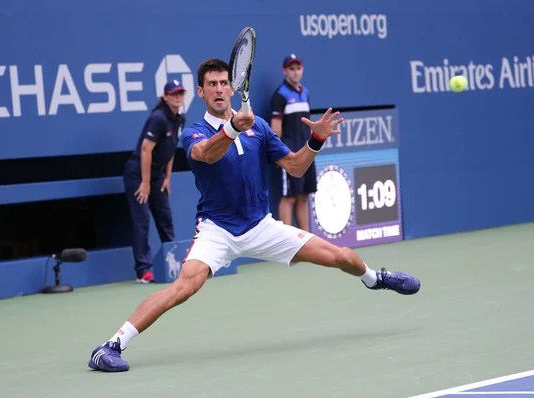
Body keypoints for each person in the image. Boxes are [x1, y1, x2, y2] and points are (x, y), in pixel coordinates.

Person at [88, 59, 420, 372]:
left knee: (340, 255)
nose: (218, 89)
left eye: (223, 83)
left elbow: (293, 165)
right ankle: (110, 346)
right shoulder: (194, 132)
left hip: (262, 226)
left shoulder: (258, 127)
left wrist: (316, 140)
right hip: (217, 230)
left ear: (231, 88)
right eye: (211, 84)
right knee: (183, 288)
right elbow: (205, 154)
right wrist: (232, 128)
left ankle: (375, 278)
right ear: (201, 92)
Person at [122, 80, 186, 283]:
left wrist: (167, 177)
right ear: (165, 97)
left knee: (165, 219)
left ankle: (175, 264)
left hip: (157, 176)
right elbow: (145, 150)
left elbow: (171, 150)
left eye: (180, 93)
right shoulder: (158, 118)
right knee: (142, 223)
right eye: (173, 94)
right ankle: (144, 271)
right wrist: (146, 183)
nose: (178, 97)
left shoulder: (180, 119)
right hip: (138, 175)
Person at [270, 54, 314, 231]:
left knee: (303, 196)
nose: (295, 72)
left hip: (307, 152)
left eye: (298, 68)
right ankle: (288, 244)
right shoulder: (280, 95)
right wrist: (277, 154)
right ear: (284, 71)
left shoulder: (306, 92)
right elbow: (275, 128)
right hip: (290, 154)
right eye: (291, 69)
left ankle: (306, 242)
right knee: (289, 197)